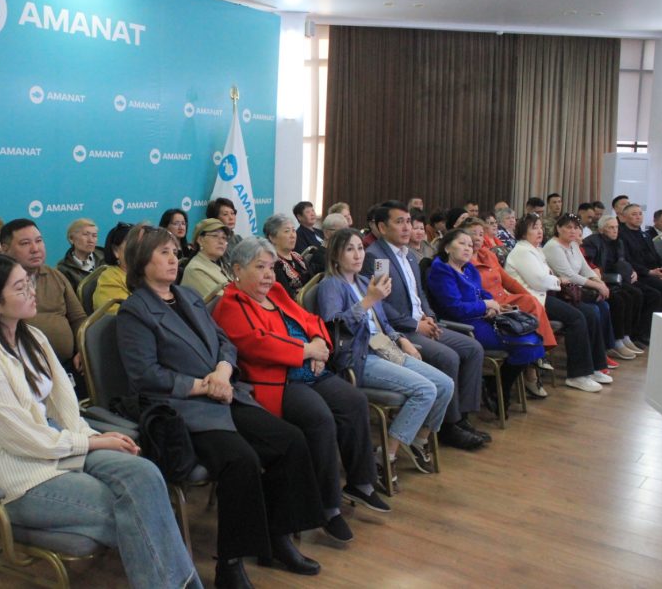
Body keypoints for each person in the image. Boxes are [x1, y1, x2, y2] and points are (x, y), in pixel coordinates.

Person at [0, 254, 200, 589]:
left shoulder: (32, 337)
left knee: (145, 475)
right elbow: (25, 440)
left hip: (56, 448)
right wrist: (92, 441)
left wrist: (88, 435)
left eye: (29, 282)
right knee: (135, 511)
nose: (32, 291)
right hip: (17, 478)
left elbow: (64, 405)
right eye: (20, 287)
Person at [117, 228, 325, 584]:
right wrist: (205, 385)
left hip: (225, 391)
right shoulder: (134, 312)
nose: (173, 259)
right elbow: (145, 376)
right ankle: (229, 564)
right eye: (163, 253)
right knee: (240, 460)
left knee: (290, 440)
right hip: (183, 407)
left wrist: (224, 372)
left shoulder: (187, 296)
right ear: (141, 262)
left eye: (174, 252)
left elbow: (225, 342)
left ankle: (277, 538)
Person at [213, 237, 388, 538]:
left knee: (354, 401)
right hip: (278, 380)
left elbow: (312, 320)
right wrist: (307, 351)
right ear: (238, 270)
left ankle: (360, 483)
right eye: (260, 267)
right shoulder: (230, 303)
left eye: (271, 267)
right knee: (320, 418)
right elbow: (256, 344)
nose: (268, 275)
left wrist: (319, 343)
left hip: (310, 369)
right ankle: (327, 507)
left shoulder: (276, 292)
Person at [318, 228, 453, 479]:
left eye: (360, 248)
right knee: (425, 390)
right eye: (349, 249)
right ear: (335, 255)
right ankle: (385, 457)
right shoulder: (331, 285)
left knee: (445, 385)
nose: (358, 255)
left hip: (383, 348)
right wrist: (368, 300)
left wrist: (401, 339)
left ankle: (418, 440)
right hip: (358, 356)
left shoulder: (363, 282)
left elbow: (382, 323)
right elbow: (334, 328)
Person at [363, 202, 488, 450]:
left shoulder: (410, 255)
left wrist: (428, 316)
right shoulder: (378, 258)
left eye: (408, 222)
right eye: (399, 222)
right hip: (401, 330)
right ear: (382, 227)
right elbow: (379, 304)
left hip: (423, 322)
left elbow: (419, 293)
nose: (407, 227)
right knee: (449, 357)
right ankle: (448, 427)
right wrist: (415, 324)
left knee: (473, 349)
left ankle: (462, 417)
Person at [426, 230, 545, 415]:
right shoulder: (441, 271)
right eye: (462, 244)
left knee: (534, 340)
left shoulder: (469, 268)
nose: (468, 248)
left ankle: (498, 385)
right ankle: (499, 389)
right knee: (525, 343)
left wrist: (491, 305)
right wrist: (484, 305)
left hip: (485, 318)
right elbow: (454, 308)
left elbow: (482, 293)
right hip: (463, 325)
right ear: (448, 247)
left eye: (469, 245)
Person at [504, 213, 611, 392]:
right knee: (577, 318)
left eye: (540, 227)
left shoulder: (535, 249)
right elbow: (540, 281)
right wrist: (558, 280)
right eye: (534, 228)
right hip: (532, 300)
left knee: (589, 313)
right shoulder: (522, 251)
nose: (539, 231)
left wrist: (556, 280)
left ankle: (594, 367)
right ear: (523, 232)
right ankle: (577, 375)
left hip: (544, 295)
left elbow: (549, 276)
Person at [459, 218, 556, 397]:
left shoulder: (488, 254)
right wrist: (494, 305)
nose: (478, 238)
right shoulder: (463, 262)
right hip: (491, 304)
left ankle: (538, 355)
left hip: (504, 297)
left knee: (531, 301)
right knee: (530, 311)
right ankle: (535, 362)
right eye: (473, 234)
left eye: (481, 234)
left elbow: (507, 280)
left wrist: (528, 295)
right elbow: (474, 293)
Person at [543, 214, 634, 362]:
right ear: (558, 228)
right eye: (568, 227)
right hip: (562, 293)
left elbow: (585, 268)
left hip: (576, 290)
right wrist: (597, 285)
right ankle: (593, 357)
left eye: (575, 228)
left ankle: (604, 351)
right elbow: (569, 275)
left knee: (604, 305)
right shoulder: (553, 247)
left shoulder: (573, 244)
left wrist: (600, 283)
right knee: (593, 311)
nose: (573, 231)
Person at [1, 219, 87, 375]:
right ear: (5, 249)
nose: (35, 249)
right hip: (22, 370)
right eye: (25, 243)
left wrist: (83, 349)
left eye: (39, 241)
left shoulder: (56, 276)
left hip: (68, 366)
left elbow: (78, 318)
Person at [583, 215, 656, 349]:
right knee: (621, 299)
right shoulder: (592, 242)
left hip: (617, 278)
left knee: (637, 294)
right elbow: (590, 265)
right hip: (602, 279)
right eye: (611, 227)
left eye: (616, 227)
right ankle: (617, 339)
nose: (615, 230)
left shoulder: (619, 242)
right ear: (601, 229)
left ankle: (628, 335)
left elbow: (623, 261)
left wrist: (632, 270)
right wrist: (600, 278)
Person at [620, 203, 662, 311]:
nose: (638, 217)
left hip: (655, 271)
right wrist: (650, 272)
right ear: (624, 218)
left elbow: (655, 255)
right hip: (640, 274)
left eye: (640, 214)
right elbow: (627, 260)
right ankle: (654, 320)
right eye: (634, 214)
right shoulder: (621, 236)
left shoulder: (645, 235)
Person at [180, 218, 232, 299]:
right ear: (200, 240)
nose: (221, 241)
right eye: (215, 236)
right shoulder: (195, 270)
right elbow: (224, 300)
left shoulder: (222, 266)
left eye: (224, 237)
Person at [264, 213, 311, 297]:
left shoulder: (298, 257)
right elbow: (284, 295)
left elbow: (313, 280)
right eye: (287, 231)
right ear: (272, 237)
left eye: (293, 230)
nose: (292, 235)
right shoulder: (272, 263)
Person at [93, 222, 134, 314]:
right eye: (133, 244)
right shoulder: (109, 281)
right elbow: (124, 317)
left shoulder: (148, 274)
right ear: (116, 251)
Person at [56, 218, 104, 291]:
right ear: (71, 239)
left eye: (94, 236)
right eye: (85, 235)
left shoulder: (106, 257)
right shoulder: (63, 269)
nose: (91, 240)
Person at [207, 197, 242, 263]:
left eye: (232, 213)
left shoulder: (238, 239)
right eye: (225, 214)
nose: (231, 218)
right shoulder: (212, 242)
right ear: (215, 218)